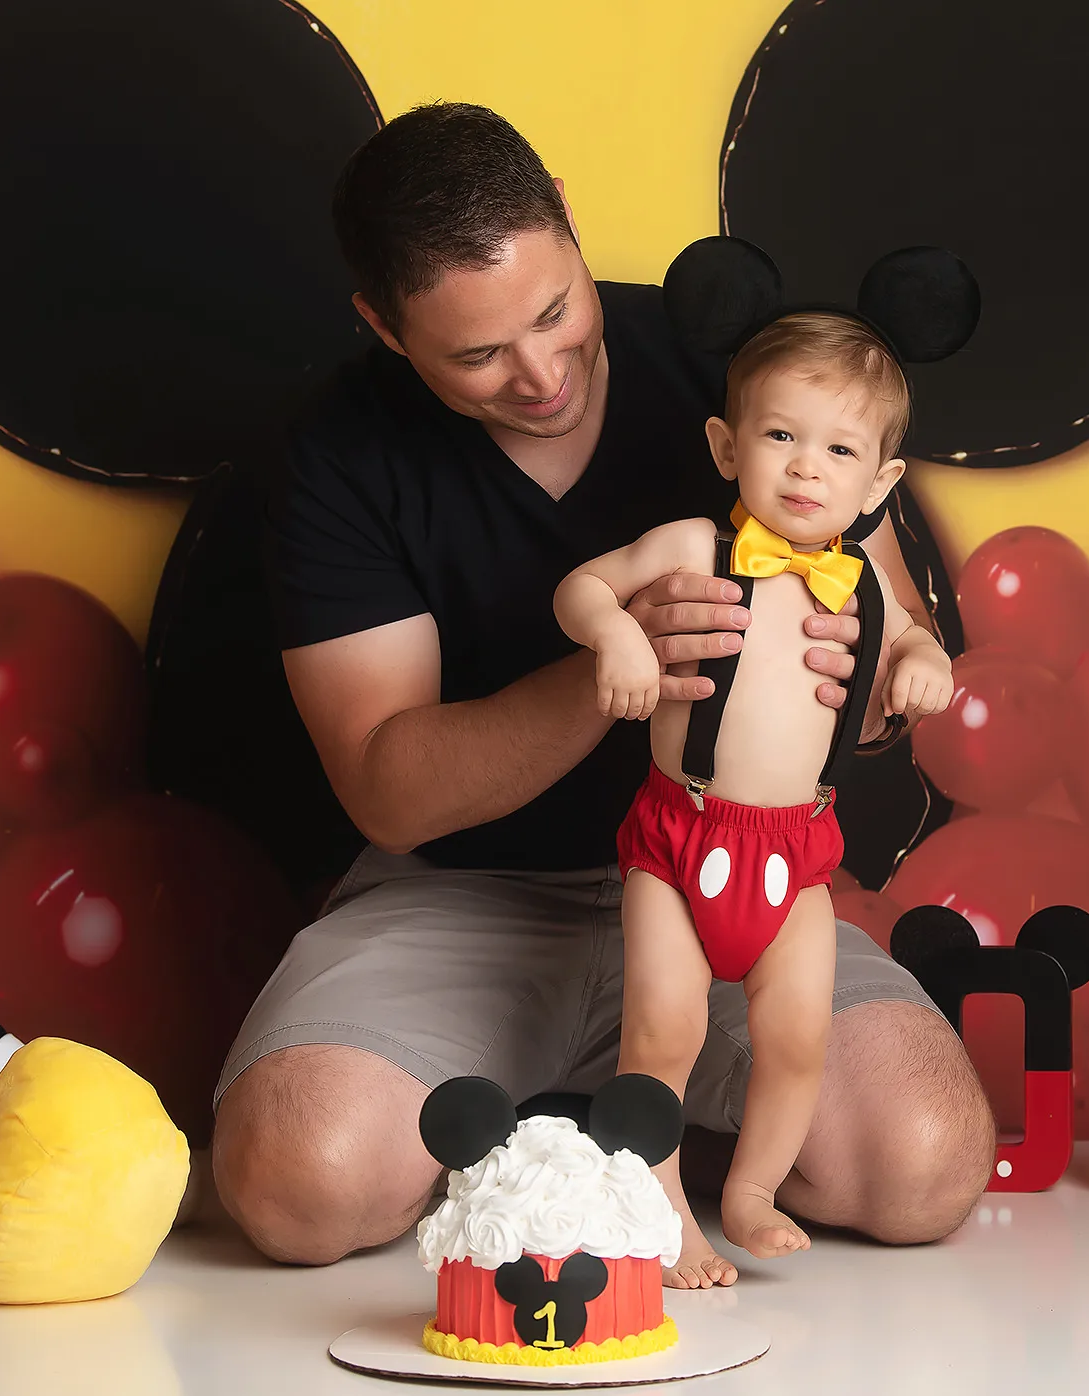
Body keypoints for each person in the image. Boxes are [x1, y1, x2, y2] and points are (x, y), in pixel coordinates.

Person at [209, 102, 994, 1287]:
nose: (538, 373)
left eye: (552, 311)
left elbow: (892, 624)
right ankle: (570, 1140)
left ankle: (640, 1132)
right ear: (381, 324)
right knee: (295, 1177)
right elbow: (390, 790)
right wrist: (616, 663)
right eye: (476, 355)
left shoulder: (733, 362)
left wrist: (879, 686)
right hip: (466, 896)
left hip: (741, 875)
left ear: (568, 219)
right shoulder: (338, 453)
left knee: (922, 1162)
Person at [555, 307, 955, 1282]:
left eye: (839, 449)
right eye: (780, 436)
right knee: (666, 1025)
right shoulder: (693, 544)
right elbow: (581, 588)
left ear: (880, 482)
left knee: (794, 1032)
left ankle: (750, 1187)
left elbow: (914, 638)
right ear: (727, 447)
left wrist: (922, 662)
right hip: (681, 835)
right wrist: (613, 638)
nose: (807, 468)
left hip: (797, 851)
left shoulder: (859, 581)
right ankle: (660, 1215)